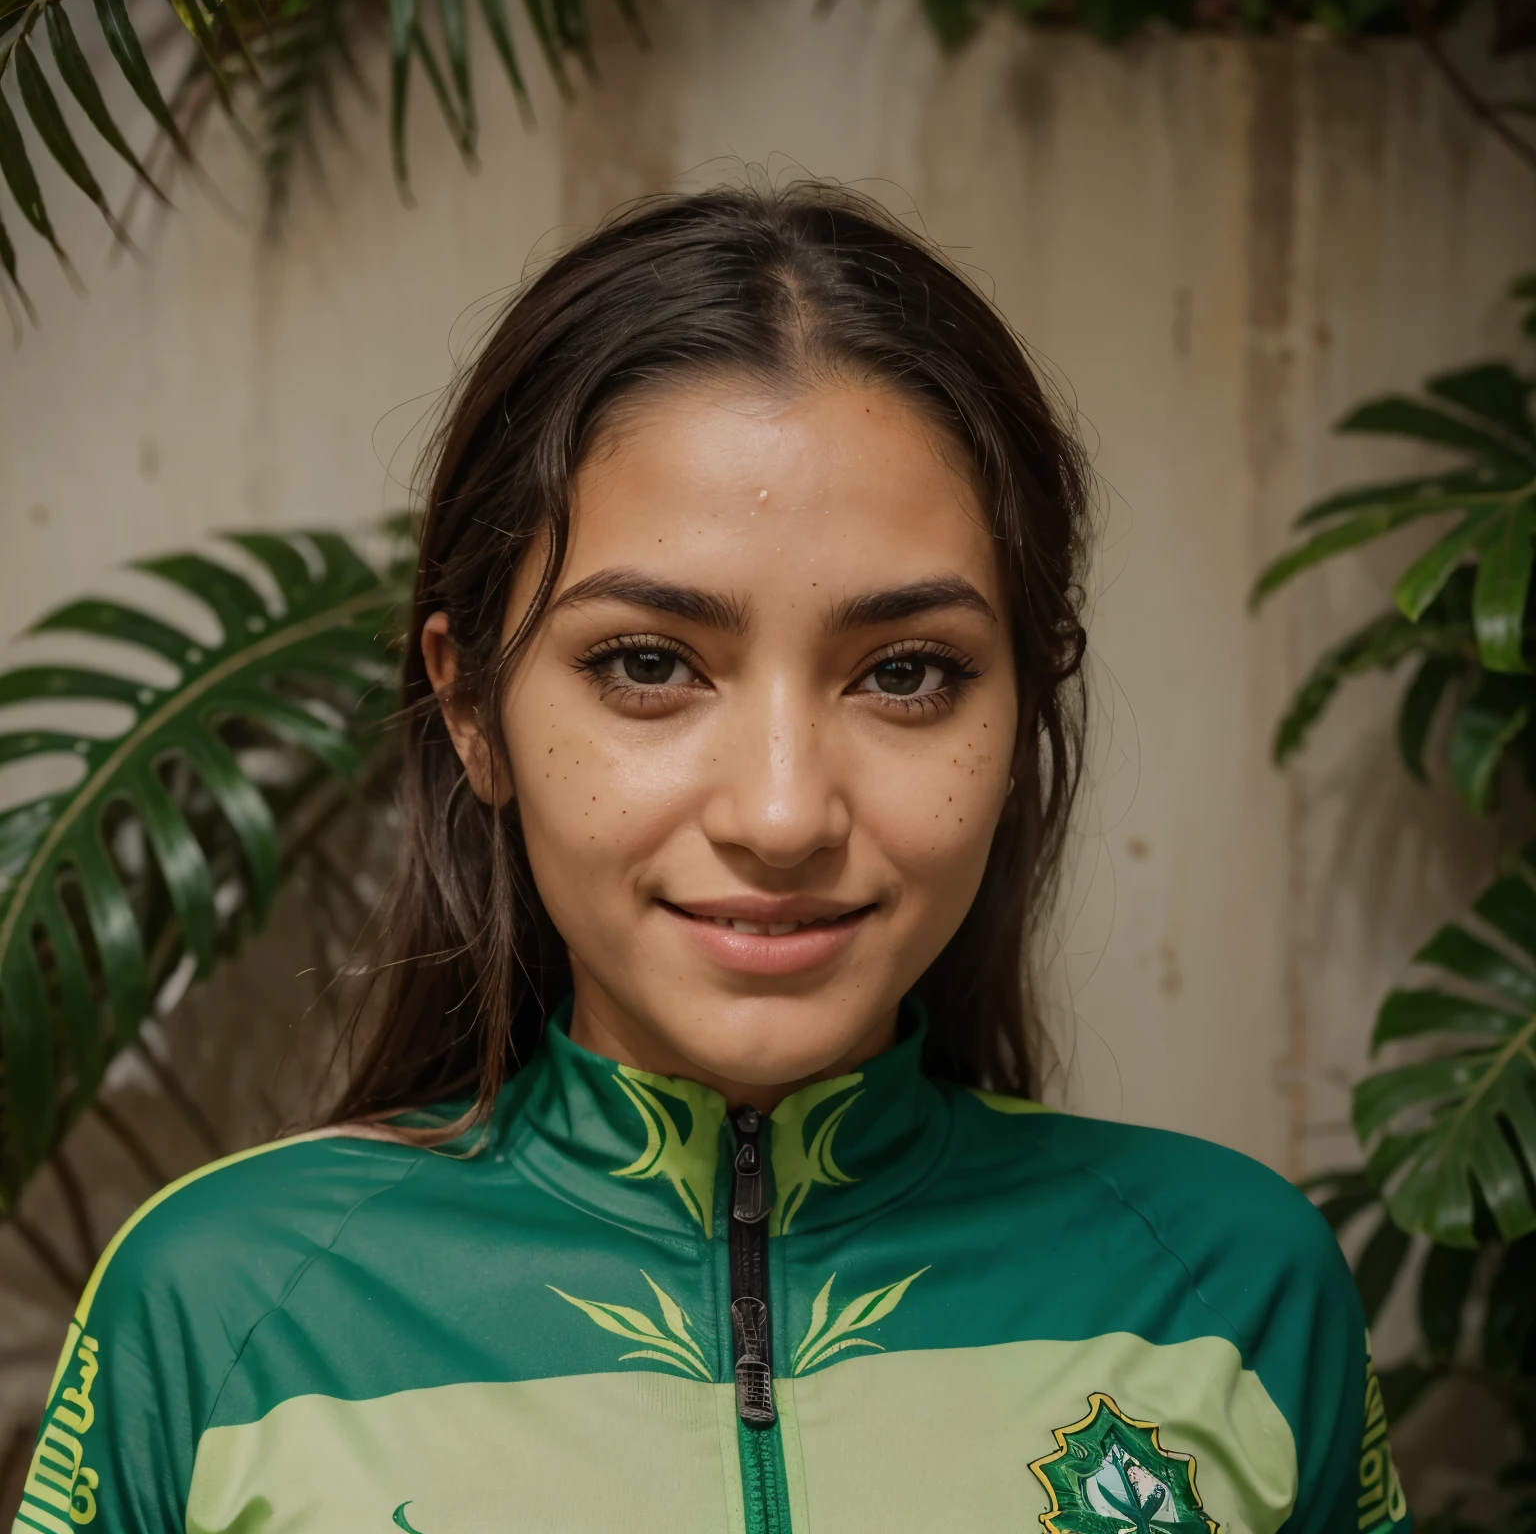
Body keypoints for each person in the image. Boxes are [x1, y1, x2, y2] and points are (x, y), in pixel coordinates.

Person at [15, 183, 1407, 1534]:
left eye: (909, 673)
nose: (786, 813)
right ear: (471, 708)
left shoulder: (1234, 1299)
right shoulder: (215, 1318)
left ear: (1026, 705)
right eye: (647, 664)